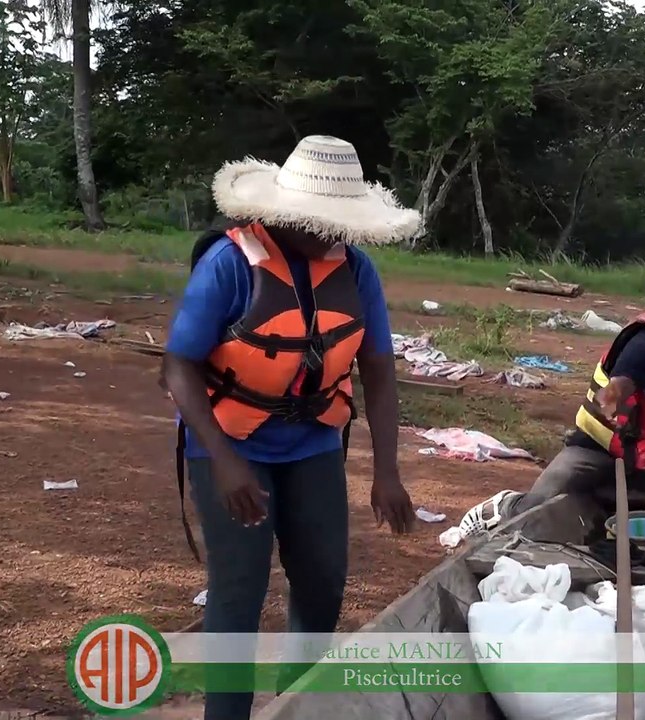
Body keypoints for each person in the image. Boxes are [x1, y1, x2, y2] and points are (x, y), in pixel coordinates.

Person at [160, 135, 420, 720]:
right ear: (288, 214)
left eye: (341, 223)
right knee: (239, 590)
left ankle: (296, 706)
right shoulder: (230, 264)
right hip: (229, 442)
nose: (334, 234)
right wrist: (224, 460)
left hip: (313, 443)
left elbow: (378, 371)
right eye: (322, 222)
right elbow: (177, 366)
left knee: (323, 583)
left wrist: (387, 471)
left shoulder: (356, 270)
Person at [458, 253, 645, 537]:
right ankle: (506, 506)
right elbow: (614, 391)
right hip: (597, 456)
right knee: (536, 513)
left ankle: (618, 520)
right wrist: (615, 405)